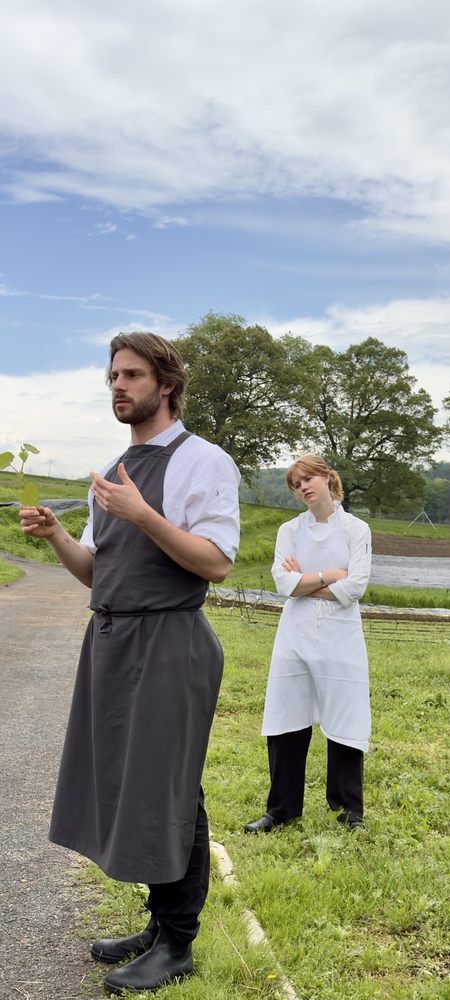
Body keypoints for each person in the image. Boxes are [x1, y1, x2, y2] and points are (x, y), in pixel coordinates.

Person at [19, 332, 239, 995]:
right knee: (138, 787)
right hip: (114, 641)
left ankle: (178, 943)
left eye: (133, 375)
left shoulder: (203, 462)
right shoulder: (114, 468)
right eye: (113, 375)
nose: (118, 385)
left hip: (170, 643)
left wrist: (143, 515)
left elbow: (217, 563)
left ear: (166, 385)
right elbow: (97, 573)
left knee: (169, 790)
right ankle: (159, 923)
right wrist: (59, 534)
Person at [244, 455, 371, 834]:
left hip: (340, 637)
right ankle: (281, 809)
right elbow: (284, 584)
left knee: (345, 719)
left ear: (328, 478)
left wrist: (306, 582)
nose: (303, 487)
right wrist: (328, 575)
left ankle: (349, 812)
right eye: (296, 484)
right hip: (295, 635)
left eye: (309, 478)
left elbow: (356, 586)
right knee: (287, 717)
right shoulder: (289, 531)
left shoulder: (356, 529)